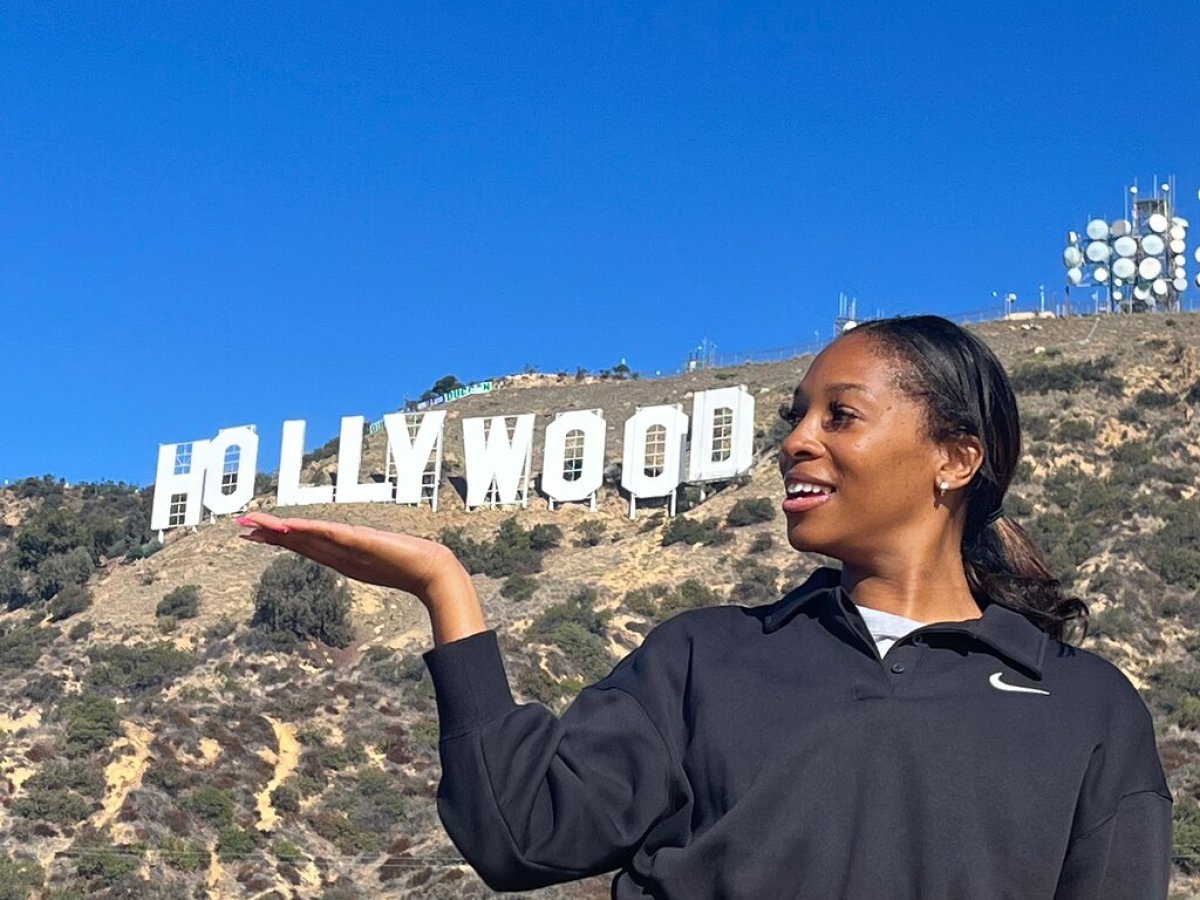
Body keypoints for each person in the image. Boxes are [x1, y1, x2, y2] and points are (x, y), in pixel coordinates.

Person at [239, 315, 1173, 898]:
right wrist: (445, 586)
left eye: (838, 417)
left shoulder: (1087, 711)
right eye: (792, 420)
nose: (795, 443)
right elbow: (519, 834)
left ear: (955, 460)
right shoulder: (704, 660)